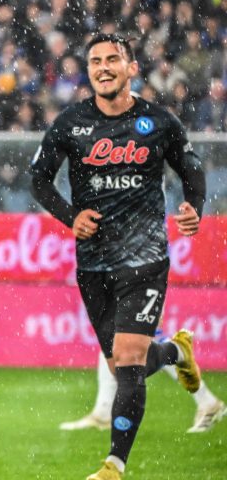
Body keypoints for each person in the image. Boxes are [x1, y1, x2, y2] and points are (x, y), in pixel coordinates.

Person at [30, 33, 207, 480]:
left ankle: (114, 464)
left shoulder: (159, 122)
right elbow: (39, 179)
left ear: (131, 68)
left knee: (128, 359)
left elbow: (192, 168)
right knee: (123, 365)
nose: (104, 67)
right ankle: (175, 352)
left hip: (146, 257)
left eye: (113, 59)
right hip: (93, 263)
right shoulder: (71, 123)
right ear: (88, 71)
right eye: (95, 61)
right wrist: (71, 217)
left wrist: (194, 207)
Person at [61, 342, 225, 434]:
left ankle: (207, 401)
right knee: (114, 341)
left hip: (142, 293)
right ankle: (103, 413)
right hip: (137, 293)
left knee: (147, 342)